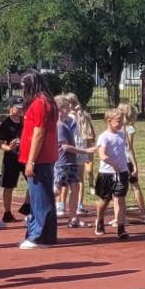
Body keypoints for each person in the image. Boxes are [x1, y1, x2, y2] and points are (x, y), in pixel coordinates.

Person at [17, 73, 60, 249]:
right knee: (38, 197)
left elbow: (39, 132)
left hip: (39, 158)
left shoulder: (40, 103)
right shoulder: (45, 101)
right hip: (43, 156)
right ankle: (37, 232)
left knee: (40, 198)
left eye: (23, 86)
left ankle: (40, 236)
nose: (22, 90)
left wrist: (31, 161)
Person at [93, 110, 132, 239]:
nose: (121, 124)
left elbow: (125, 152)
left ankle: (121, 228)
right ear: (109, 121)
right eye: (118, 121)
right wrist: (113, 163)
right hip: (107, 173)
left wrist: (128, 167)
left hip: (122, 173)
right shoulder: (104, 137)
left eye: (122, 121)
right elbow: (102, 155)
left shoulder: (122, 135)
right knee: (104, 201)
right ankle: (99, 220)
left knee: (120, 200)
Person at [53, 93, 88, 229]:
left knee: (75, 187)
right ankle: (37, 211)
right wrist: (85, 151)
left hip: (70, 162)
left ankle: (73, 218)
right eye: (66, 108)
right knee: (56, 190)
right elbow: (65, 147)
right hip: (63, 163)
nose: (69, 110)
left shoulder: (65, 123)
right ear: (60, 109)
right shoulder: (60, 125)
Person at [0, 98, 24, 226]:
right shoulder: (5, 124)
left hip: (25, 156)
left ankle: (28, 207)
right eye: (17, 107)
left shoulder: (25, 121)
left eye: (22, 107)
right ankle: (7, 213)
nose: (20, 109)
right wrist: (10, 148)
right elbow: (0, 144)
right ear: (11, 108)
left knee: (33, 181)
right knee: (8, 186)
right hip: (11, 158)